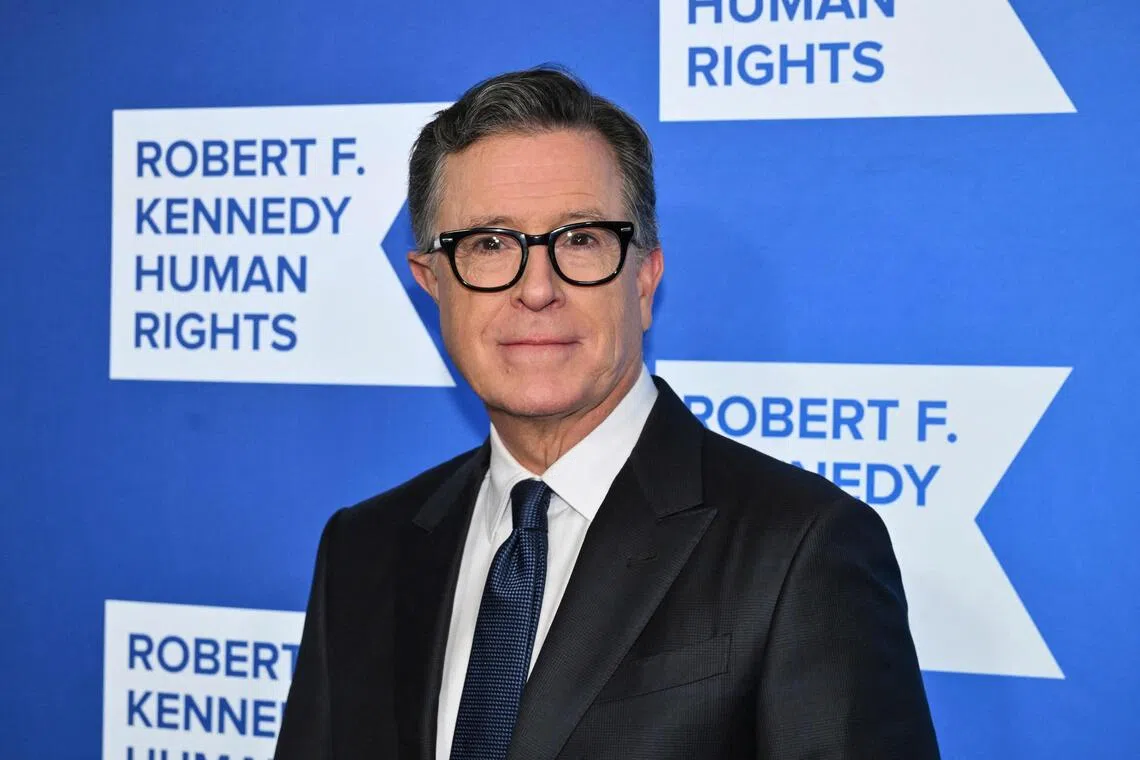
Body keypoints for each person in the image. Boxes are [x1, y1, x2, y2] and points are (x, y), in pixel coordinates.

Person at [274, 66, 940, 760]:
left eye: (580, 239)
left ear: (644, 281)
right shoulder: (363, 550)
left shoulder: (800, 549)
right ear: (432, 283)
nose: (537, 289)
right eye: (490, 244)